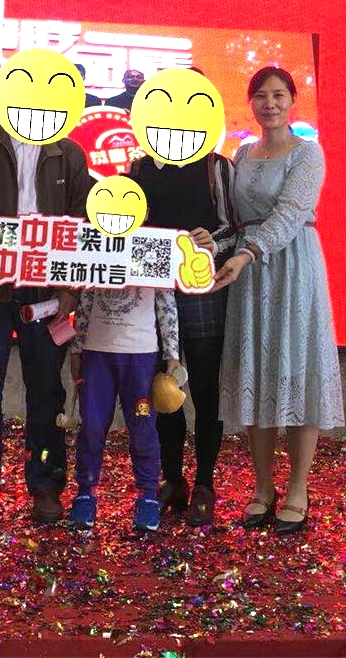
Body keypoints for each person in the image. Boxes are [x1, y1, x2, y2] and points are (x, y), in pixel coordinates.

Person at [212, 67, 343, 536]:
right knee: (257, 373)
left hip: (293, 267)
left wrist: (246, 252)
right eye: (261, 95)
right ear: (250, 102)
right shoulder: (241, 154)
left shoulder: (308, 153)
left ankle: (298, 489)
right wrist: (214, 243)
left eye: (279, 94)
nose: (270, 103)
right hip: (248, 273)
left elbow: (289, 215)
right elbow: (234, 222)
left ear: (292, 100)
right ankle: (263, 487)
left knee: (297, 371)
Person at [0, 121, 94, 523]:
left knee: (46, 389)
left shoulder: (68, 152)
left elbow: (82, 223)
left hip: (45, 287)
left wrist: (71, 288)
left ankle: (46, 485)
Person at [129, 148, 238, 526]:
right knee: (162, 389)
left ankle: (205, 484)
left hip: (203, 289)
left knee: (206, 390)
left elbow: (233, 227)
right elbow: (130, 225)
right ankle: (173, 479)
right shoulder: (139, 166)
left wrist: (214, 241)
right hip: (154, 291)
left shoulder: (215, 165)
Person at [68, 283, 179, 532]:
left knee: (143, 429)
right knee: (92, 427)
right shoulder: (96, 255)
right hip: (97, 354)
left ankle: (148, 496)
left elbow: (166, 298)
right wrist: (76, 348)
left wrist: (172, 353)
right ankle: (85, 493)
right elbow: (85, 296)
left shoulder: (154, 256)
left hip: (141, 356)